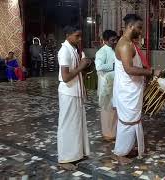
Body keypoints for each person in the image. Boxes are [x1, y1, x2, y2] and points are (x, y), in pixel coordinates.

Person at [112, 14, 160, 165]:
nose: (141, 31)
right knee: (128, 122)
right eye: (139, 28)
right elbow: (129, 69)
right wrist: (150, 72)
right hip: (127, 91)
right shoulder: (125, 45)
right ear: (130, 26)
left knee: (133, 119)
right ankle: (120, 154)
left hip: (132, 89)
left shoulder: (130, 43)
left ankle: (127, 148)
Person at [57, 26, 91, 170]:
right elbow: (65, 77)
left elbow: (77, 73)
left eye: (80, 36)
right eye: (77, 36)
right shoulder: (64, 50)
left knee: (77, 124)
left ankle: (76, 154)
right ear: (68, 35)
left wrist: (83, 88)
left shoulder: (74, 49)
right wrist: (81, 66)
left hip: (75, 91)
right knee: (67, 125)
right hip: (68, 92)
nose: (80, 38)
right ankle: (64, 159)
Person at [95, 30, 118, 141]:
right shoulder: (102, 51)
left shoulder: (114, 50)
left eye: (115, 39)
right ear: (105, 40)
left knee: (114, 108)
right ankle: (107, 133)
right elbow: (98, 67)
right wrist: (113, 65)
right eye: (112, 40)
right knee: (106, 110)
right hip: (105, 85)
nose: (115, 42)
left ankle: (113, 132)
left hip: (114, 83)